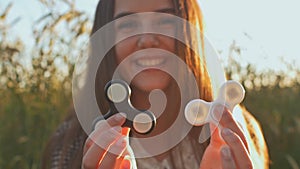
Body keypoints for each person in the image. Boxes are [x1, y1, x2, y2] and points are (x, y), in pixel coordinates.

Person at [42, 0, 269, 168]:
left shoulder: (237, 131)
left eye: (165, 20)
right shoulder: (70, 144)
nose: (148, 38)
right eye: (127, 24)